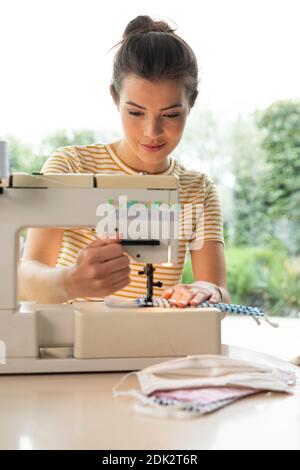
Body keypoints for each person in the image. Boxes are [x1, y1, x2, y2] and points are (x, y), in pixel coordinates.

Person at [20, 15, 230, 307]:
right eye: (135, 112)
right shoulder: (70, 166)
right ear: (115, 97)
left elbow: (217, 287)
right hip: (71, 344)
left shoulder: (197, 189)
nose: (151, 132)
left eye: (170, 115)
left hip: (155, 345)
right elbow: (27, 274)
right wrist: (70, 281)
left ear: (191, 104)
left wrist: (204, 291)